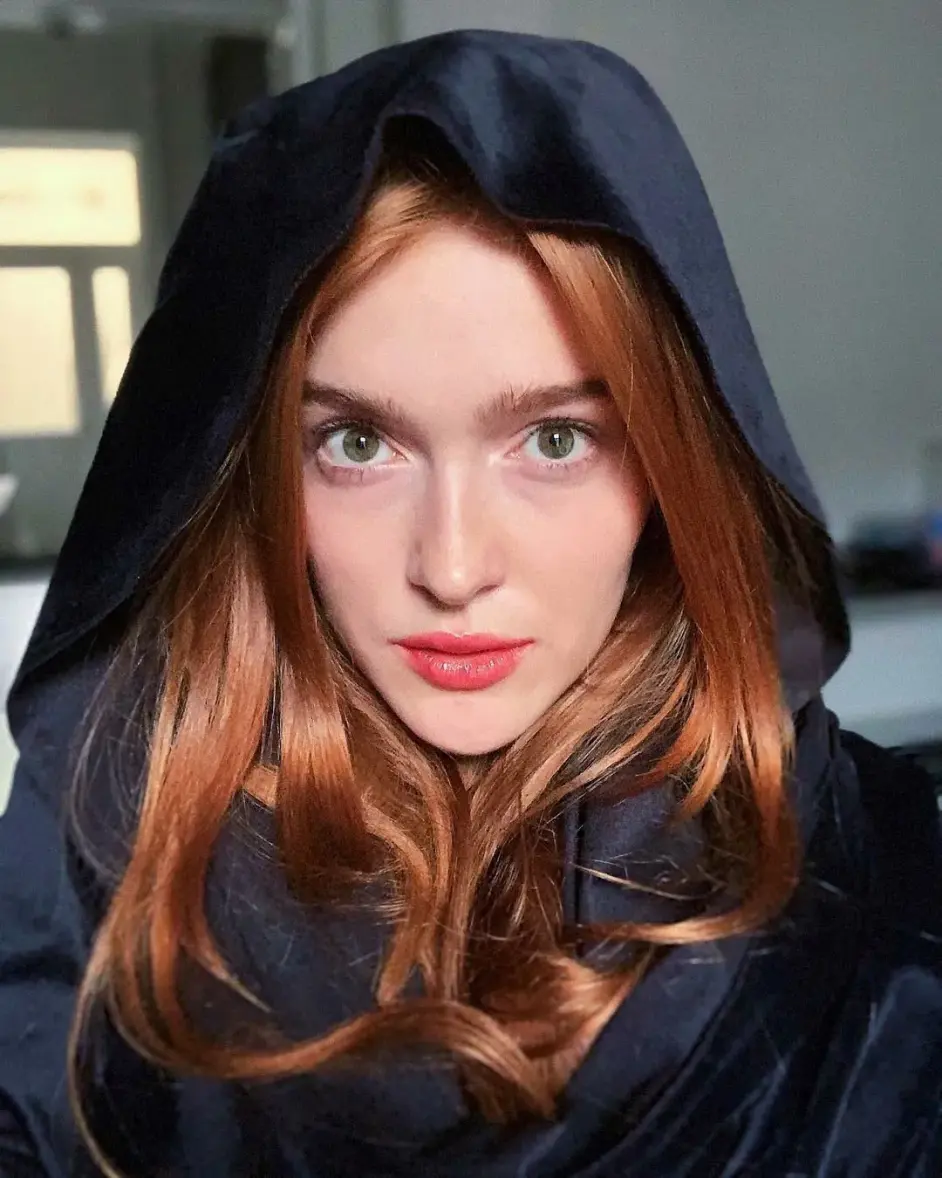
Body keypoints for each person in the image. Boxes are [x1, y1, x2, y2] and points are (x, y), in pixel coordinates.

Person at [1, 28, 940, 1178]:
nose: (450, 567)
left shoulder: (881, 910)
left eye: (556, 439)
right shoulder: (111, 831)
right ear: (252, 469)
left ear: (672, 463)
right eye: (357, 442)